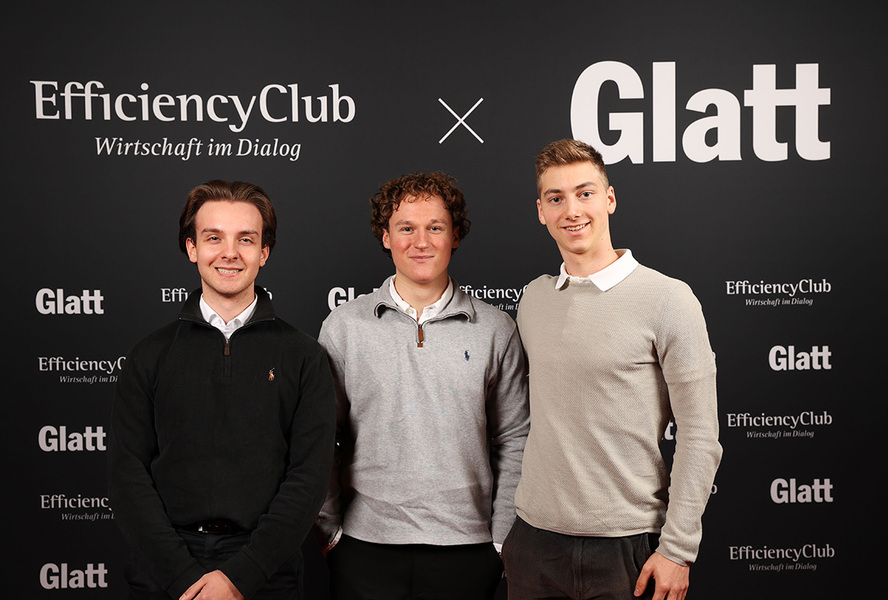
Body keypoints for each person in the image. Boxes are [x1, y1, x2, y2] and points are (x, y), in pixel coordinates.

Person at [503, 139, 722, 600]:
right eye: (556, 198)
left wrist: (678, 549)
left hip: (628, 548)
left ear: (609, 199)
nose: (571, 210)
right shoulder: (534, 298)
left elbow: (700, 434)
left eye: (584, 193)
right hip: (533, 544)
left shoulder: (668, 299)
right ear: (541, 211)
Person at [108, 180, 336, 600]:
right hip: (165, 572)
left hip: (265, 572)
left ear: (263, 252)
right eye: (214, 237)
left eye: (245, 239)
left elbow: (308, 478)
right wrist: (180, 576)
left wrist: (241, 576)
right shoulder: (149, 355)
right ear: (192, 248)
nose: (229, 253)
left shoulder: (303, 356)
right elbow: (128, 476)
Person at [316, 171, 530, 600]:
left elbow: (515, 438)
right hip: (363, 548)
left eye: (435, 227)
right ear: (386, 237)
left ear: (455, 235)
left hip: (468, 550)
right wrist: (331, 532)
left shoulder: (496, 329)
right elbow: (320, 435)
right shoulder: (344, 327)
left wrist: (500, 542)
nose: (421, 242)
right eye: (406, 228)